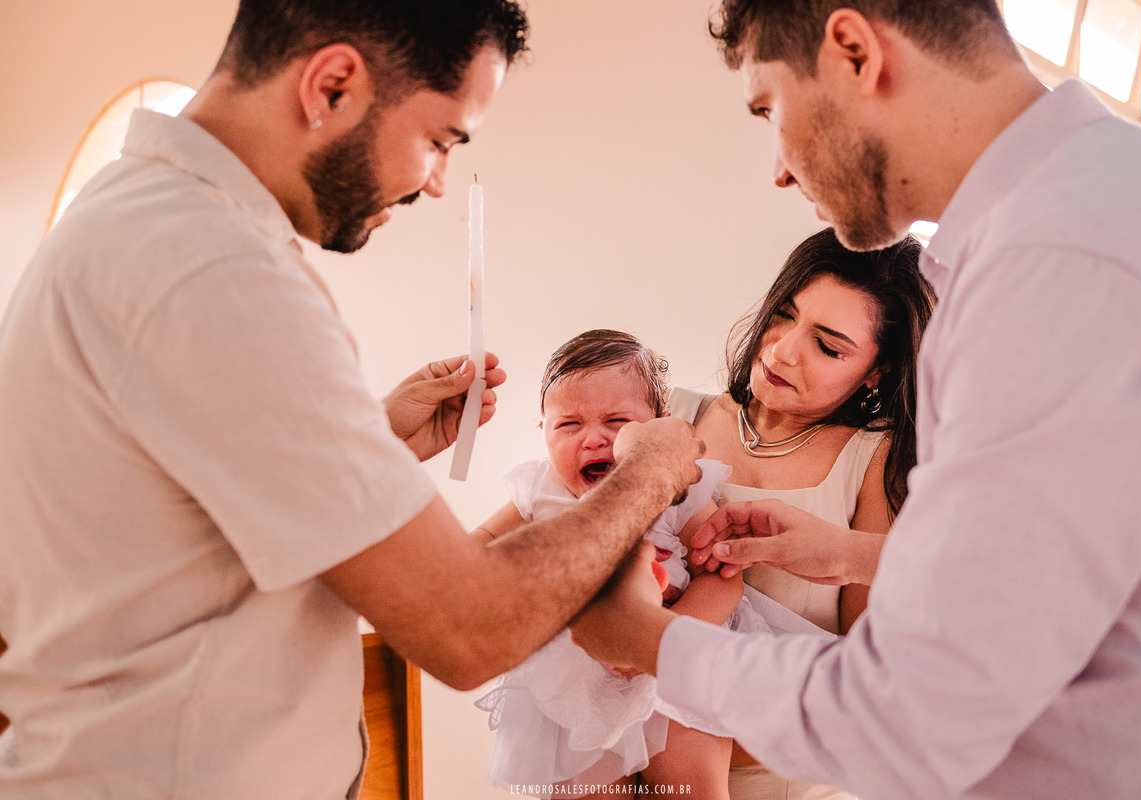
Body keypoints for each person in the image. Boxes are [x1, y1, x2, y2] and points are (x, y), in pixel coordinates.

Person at [0, 3, 705, 798]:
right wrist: (650, 471)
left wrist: (371, 439)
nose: (435, 184)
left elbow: (170, 518)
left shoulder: (127, 223)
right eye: (439, 140)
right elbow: (469, 628)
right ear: (332, 84)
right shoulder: (214, 272)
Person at [571, 1, 1141, 798]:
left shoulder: (1058, 262)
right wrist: (852, 556)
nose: (780, 168)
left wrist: (654, 642)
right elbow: (1064, 574)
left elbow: (918, 712)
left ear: (853, 53)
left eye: (772, 109)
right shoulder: (1107, 205)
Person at [665, 227, 933, 799]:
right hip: (652, 763)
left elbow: (870, 668)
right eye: (785, 315)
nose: (783, 349)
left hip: (797, 777)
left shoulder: (875, 461)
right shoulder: (673, 419)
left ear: (877, 373)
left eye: (828, 345)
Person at [473, 329, 771, 800]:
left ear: (660, 426)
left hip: (674, 663)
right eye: (568, 425)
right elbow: (480, 548)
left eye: (616, 421)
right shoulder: (539, 490)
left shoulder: (679, 486)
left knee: (692, 787)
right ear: (542, 430)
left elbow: (724, 575)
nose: (593, 439)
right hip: (576, 680)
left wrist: (663, 643)